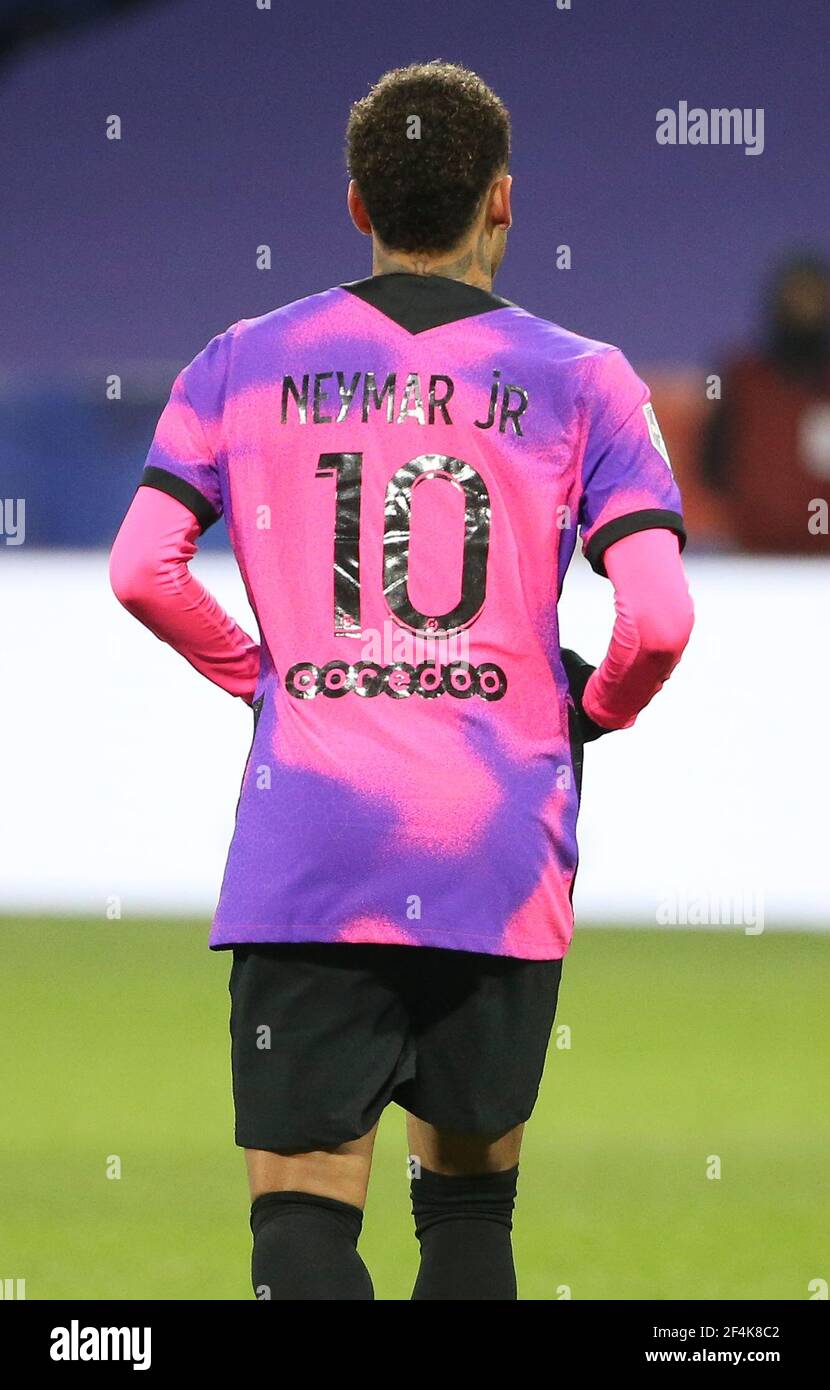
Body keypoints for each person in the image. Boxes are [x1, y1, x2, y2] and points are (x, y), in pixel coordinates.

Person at [109, 61, 694, 1301]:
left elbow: (141, 568)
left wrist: (261, 675)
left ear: (355, 204)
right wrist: (589, 708)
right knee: (473, 1214)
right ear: (502, 203)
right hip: (493, 836)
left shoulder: (246, 359)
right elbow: (657, 615)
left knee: (301, 1223)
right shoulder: (583, 377)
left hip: (311, 840)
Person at [701, 252, 830, 552]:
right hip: (757, 563)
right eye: (795, 300)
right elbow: (711, 465)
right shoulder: (742, 379)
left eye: (813, 300)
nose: (804, 311)